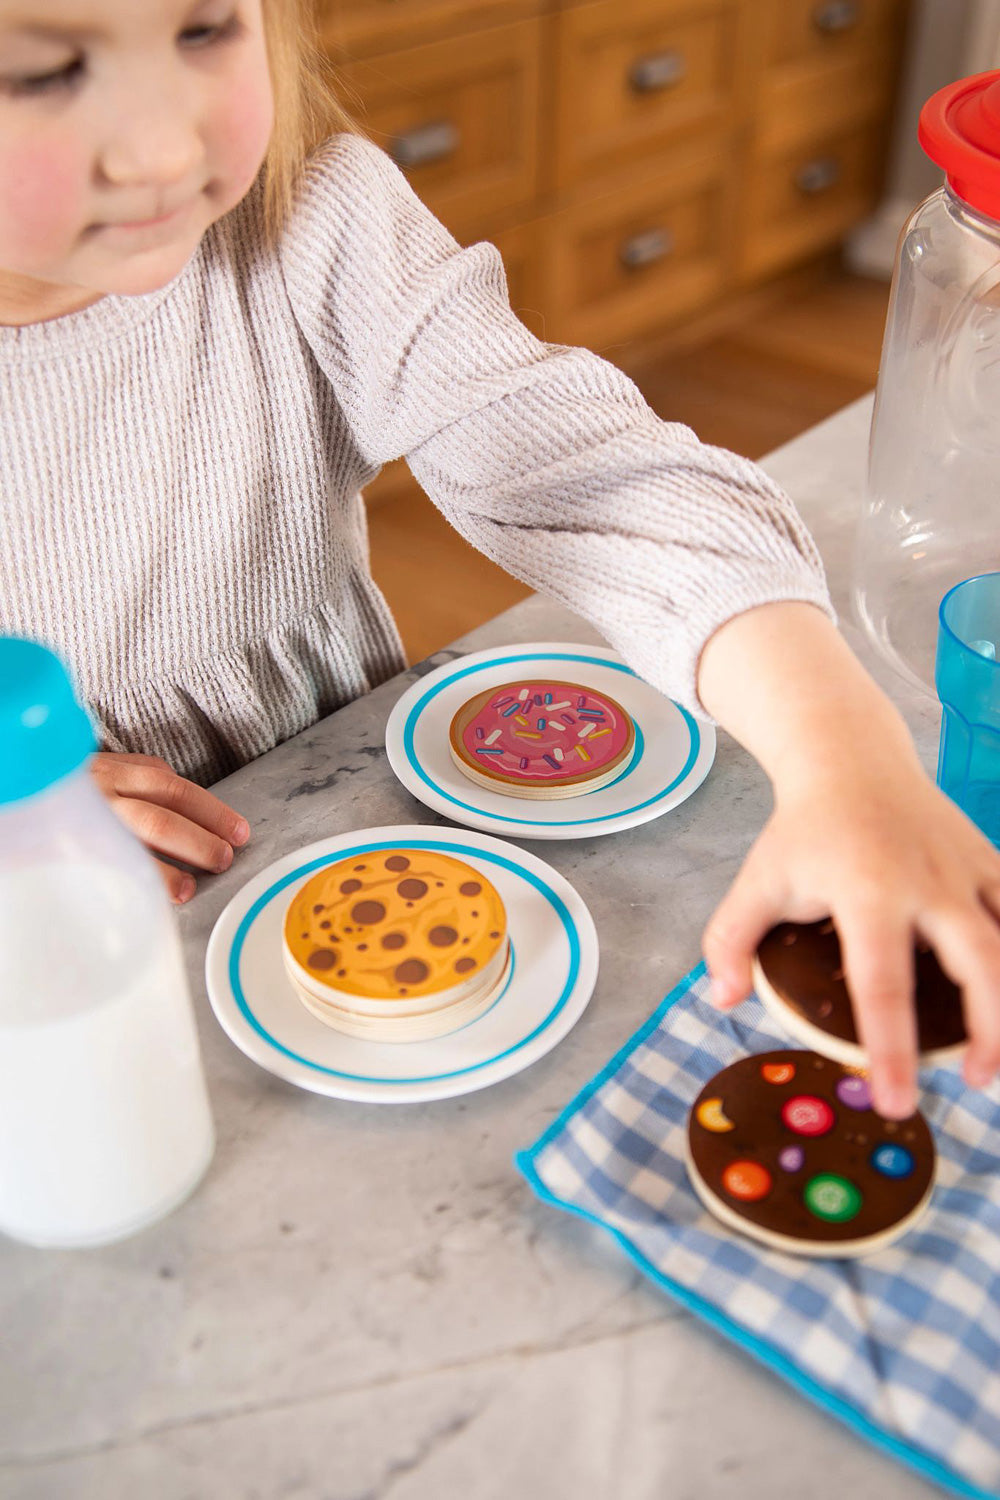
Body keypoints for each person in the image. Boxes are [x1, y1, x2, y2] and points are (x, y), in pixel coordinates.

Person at [1, 0, 998, 1122]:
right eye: (42, 74)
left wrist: (846, 761)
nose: (166, 147)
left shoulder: (311, 221)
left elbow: (594, 473)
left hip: (354, 830)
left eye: (203, 31)